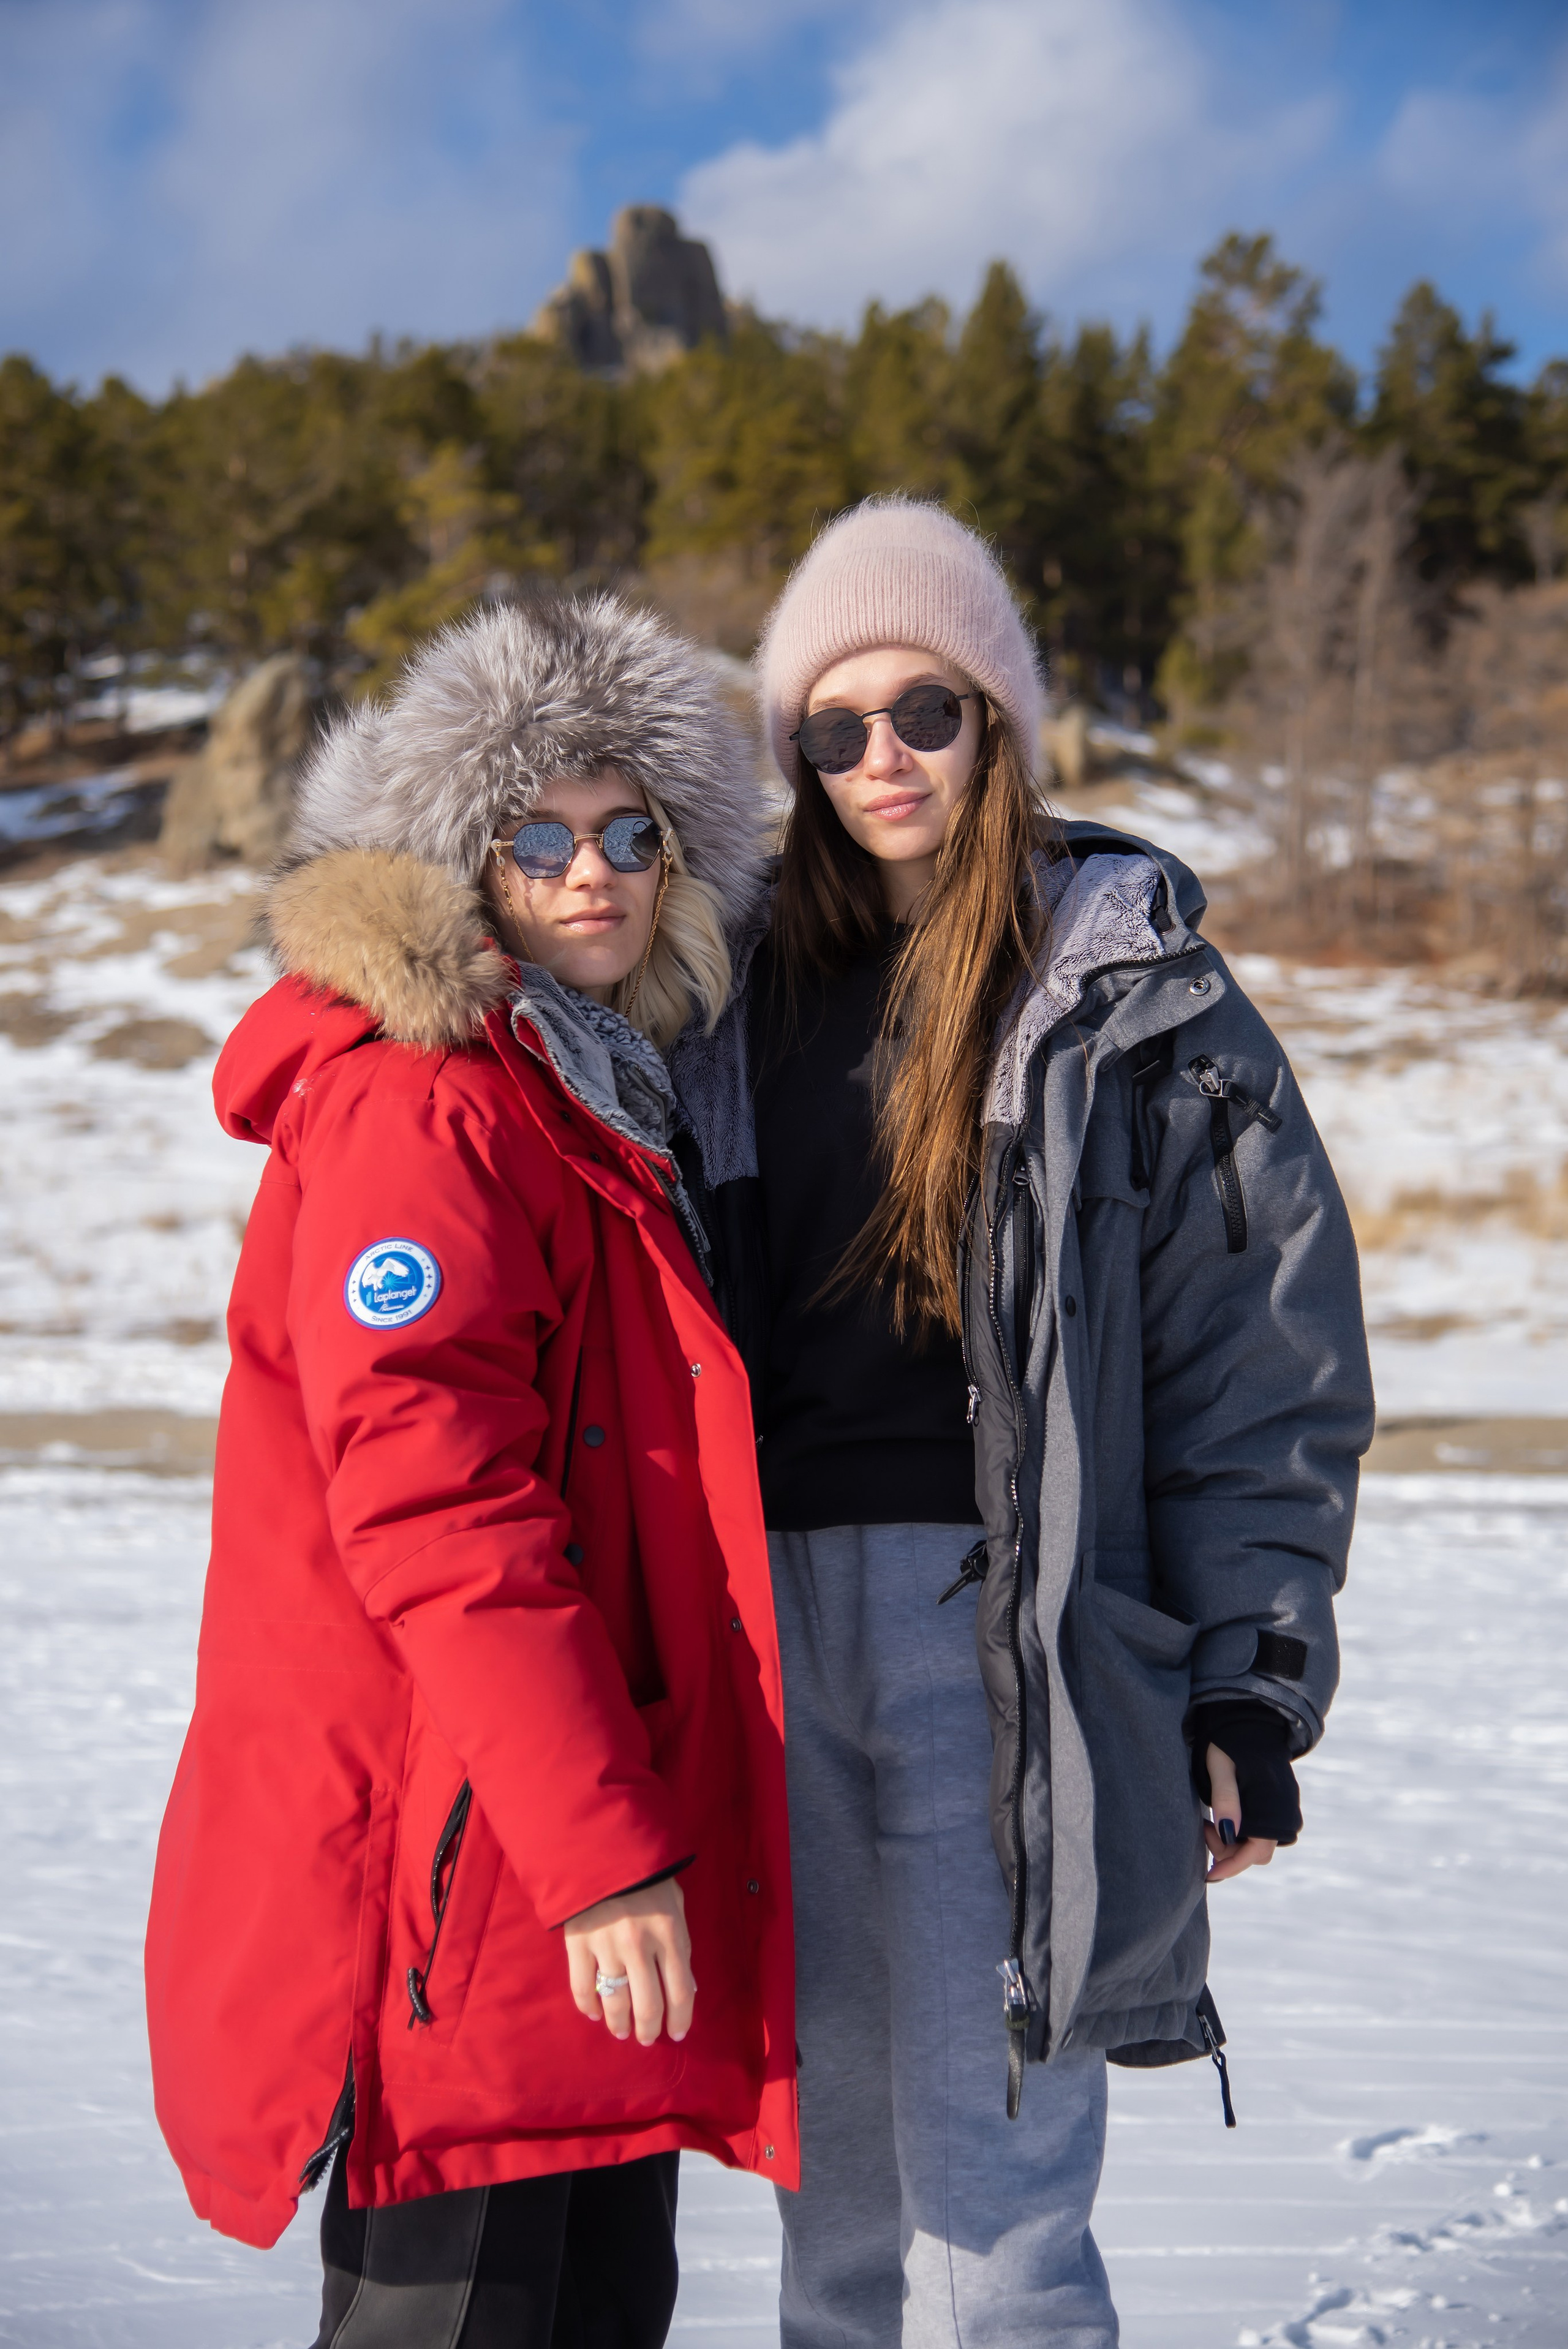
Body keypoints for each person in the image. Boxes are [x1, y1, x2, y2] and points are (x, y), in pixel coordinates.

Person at [670, 498, 1374, 2348]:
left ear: (1001, 719)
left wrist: (1247, 1679)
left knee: (1001, 2219)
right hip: (766, 1638)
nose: (881, 757)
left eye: (927, 709)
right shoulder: (717, 996)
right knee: (829, 2215)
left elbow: (1265, 1357)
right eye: (833, 728)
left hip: (1018, 1636)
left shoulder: (1131, 988)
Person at [145, 594, 797, 2349]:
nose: (592, 870)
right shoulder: (424, 1104)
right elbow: (439, 1509)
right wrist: (600, 1849)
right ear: (461, 856)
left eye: (632, 830)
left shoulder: (589, 1093)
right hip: (473, 1886)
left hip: (553, 1890)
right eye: (538, 832)